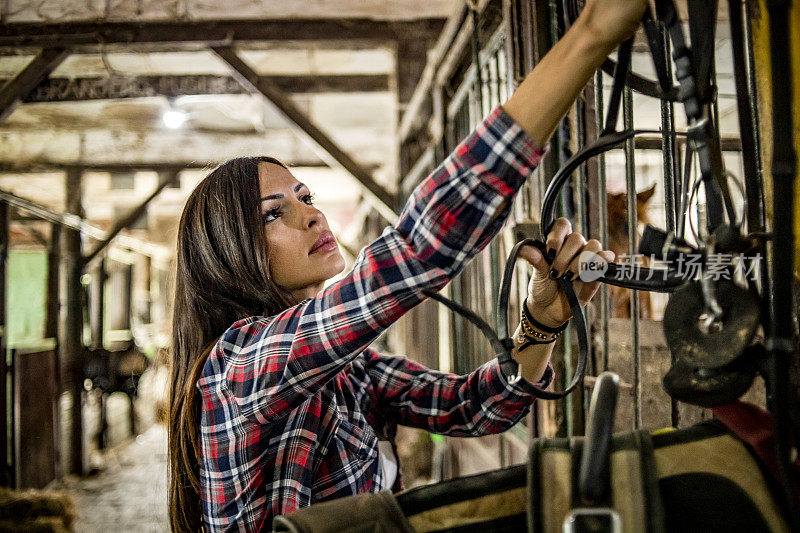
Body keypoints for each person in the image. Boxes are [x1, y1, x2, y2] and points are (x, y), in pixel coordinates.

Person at [167, 0, 647, 530]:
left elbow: (475, 407)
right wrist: (589, 37)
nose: (310, 214)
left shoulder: (352, 371)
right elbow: (415, 252)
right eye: (273, 213)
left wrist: (542, 321)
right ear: (228, 252)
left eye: (305, 195)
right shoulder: (236, 368)